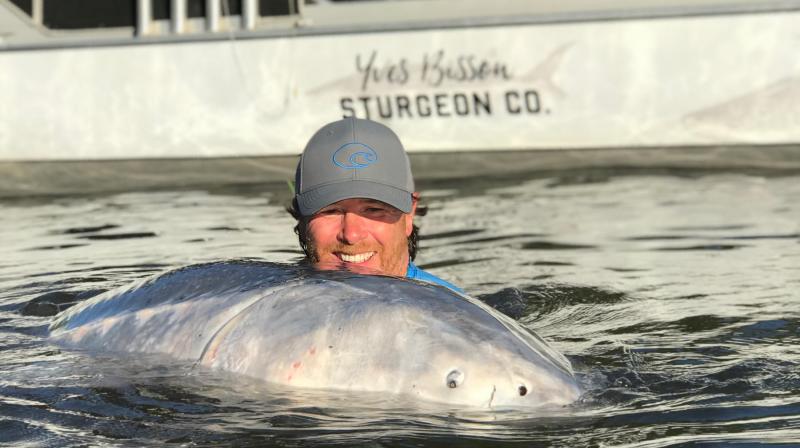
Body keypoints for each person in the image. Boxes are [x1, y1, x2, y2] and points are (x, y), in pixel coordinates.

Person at [287, 117, 462, 293]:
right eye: (331, 211)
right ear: (301, 217)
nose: (351, 234)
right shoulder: (272, 300)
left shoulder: (455, 313)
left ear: (409, 215)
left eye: (374, 210)